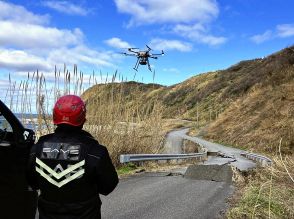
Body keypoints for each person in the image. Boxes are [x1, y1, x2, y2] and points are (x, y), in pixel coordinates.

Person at [27, 95, 118, 219]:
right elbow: (108, 186)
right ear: (83, 119)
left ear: (55, 117)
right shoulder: (96, 151)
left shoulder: (37, 148)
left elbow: (32, 183)